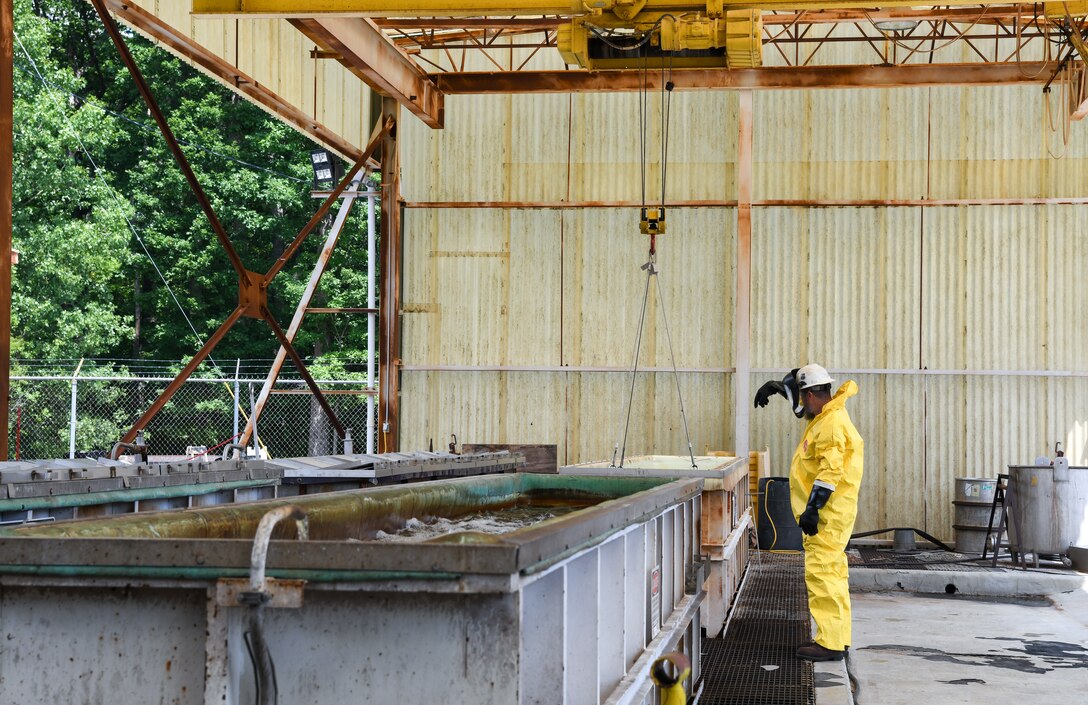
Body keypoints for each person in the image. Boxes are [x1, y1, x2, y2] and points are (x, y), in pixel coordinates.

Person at [753, 364, 864, 662]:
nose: (801, 406)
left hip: (826, 516)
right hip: (831, 513)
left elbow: (830, 470)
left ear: (812, 395)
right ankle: (836, 638)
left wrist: (813, 509)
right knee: (833, 576)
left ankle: (828, 644)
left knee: (823, 575)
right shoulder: (827, 416)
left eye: (802, 398)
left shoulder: (830, 425)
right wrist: (780, 388)